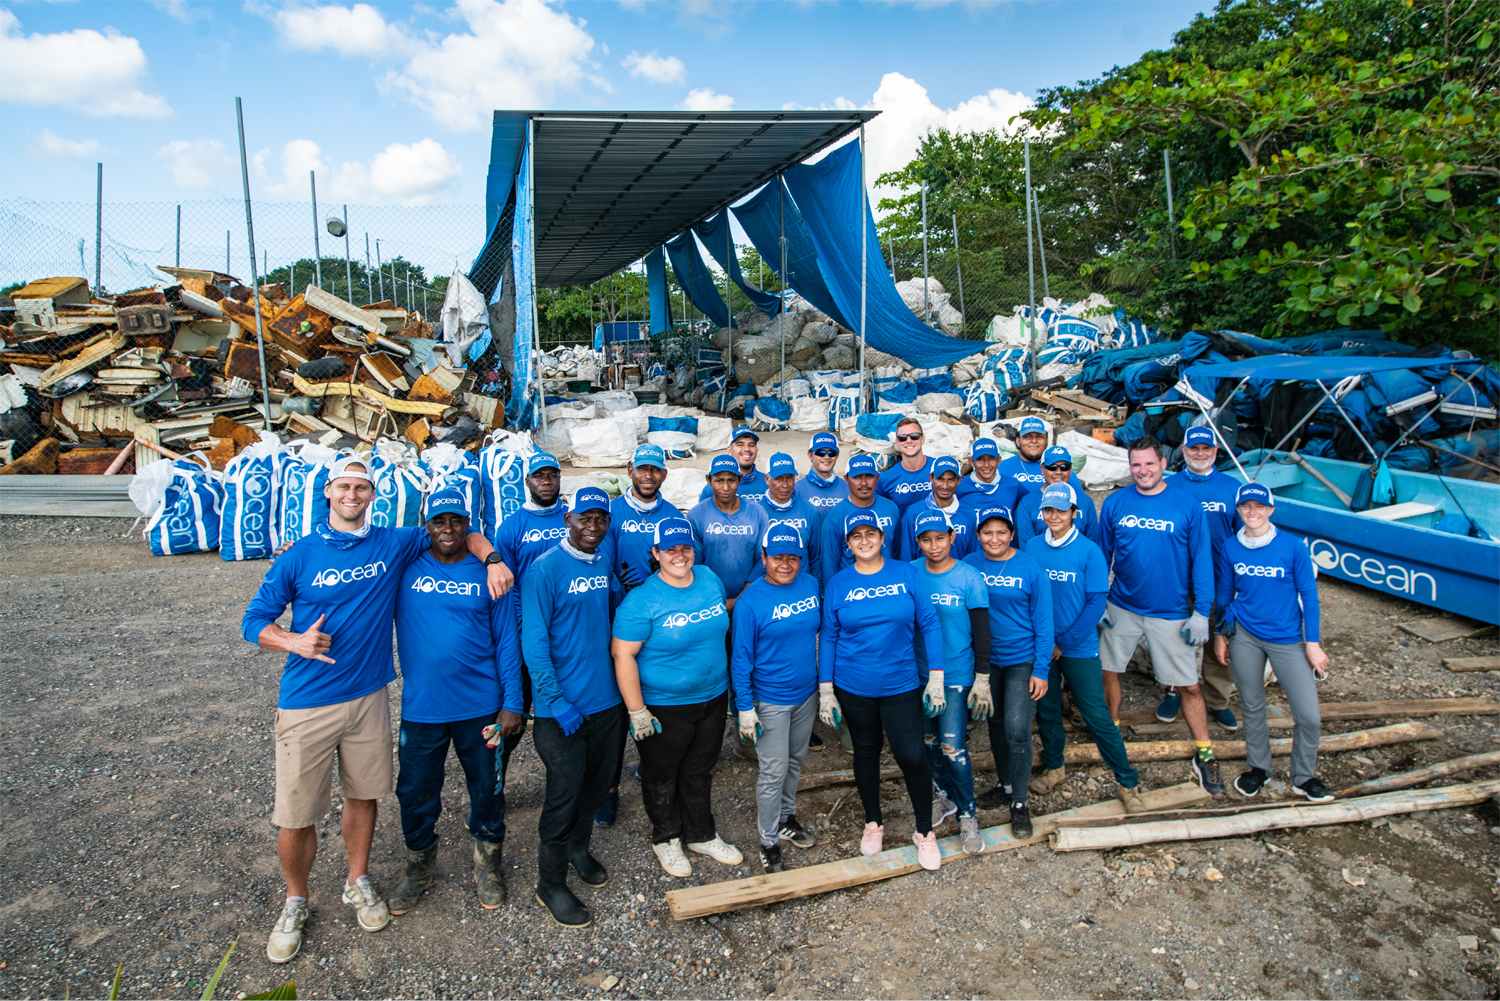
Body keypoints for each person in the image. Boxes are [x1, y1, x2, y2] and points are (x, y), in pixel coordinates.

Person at [241, 456, 509, 963]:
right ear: (328, 492)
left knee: (363, 797)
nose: (352, 495)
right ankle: (295, 901)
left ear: (371, 495)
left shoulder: (393, 543)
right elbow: (253, 620)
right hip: (308, 701)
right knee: (297, 812)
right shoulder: (300, 555)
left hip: (368, 698)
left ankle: (358, 881)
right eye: (344, 486)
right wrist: (292, 641)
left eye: (361, 488)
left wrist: (493, 557)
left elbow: (459, 532)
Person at [388, 490, 525, 916]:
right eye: (439, 521)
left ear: (468, 523)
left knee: (488, 789)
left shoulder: (490, 574)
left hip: (481, 706)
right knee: (414, 790)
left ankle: (488, 866)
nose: (447, 529)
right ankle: (418, 868)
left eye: (456, 521)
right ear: (425, 525)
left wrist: (513, 702)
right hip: (423, 707)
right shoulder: (405, 564)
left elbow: (506, 640)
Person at [611, 517, 743, 877]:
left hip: (712, 696)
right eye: (670, 550)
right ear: (656, 553)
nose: (680, 555)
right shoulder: (641, 601)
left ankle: (701, 834)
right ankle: (666, 838)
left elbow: (721, 621)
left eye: (685, 548)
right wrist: (637, 711)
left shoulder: (709, 579)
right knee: (662, 773)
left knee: (700, 768)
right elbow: (622, 654)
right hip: (664, 704)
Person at [520, 486, 626, 928]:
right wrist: (554, 699)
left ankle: (579, 850)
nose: (593, 526)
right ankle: (550, 883)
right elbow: (534, 641)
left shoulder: (602, 562)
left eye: (601, 519)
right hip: (562, 709)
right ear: (568, 519)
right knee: (563, 795)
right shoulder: (544, 569)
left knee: (596, 786)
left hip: (607, 702)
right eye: (585, 518)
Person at [819, 510, 947, 870]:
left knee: (912, 756)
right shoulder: (839, 584)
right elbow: (828, 636)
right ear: (848, 544)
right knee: (866, 752)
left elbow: (929, 623)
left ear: (882, 538)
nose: (864, 541)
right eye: (856, 536)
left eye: (870, 534)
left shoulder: (906, 573)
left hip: (900, 683)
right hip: (853, 685)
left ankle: (924, 831)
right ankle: (873, 822)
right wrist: (826, 690)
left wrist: (936, 676)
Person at [1098, 437, 1223, 799]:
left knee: (1189, 685)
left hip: (1170, 611)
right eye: (1136, 465)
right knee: (1108, 671)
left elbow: (1202, 560)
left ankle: (1205, 752)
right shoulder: (1116, 502)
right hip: (1122, 605)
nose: (1143, 471)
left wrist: (1201, 611)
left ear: (1164, 463)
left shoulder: (1186, 504)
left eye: (1149, 464)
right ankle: (1112, 731)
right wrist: (1098, 599)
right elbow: (1102, 554)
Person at [1022, 483, 1146, 813]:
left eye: (1061, 510)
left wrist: (1063, 643)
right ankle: (1055, 766)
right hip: (1043, 647)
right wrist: (1043, 642)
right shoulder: (1033, 546)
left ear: (1074, 513)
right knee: (1047, 709)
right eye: (1049, 510)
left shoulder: (1089, 551)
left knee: (1095, 713)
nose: (1054, 516)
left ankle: (1127, 781)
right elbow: (1030, 596)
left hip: (1077, 647)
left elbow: (1095, 604)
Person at [1213, 483, 1333, 802]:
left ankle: (1303, 776)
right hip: (1244, 634)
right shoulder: (1231, 546)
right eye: (1246, 506)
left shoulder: (1292, 547)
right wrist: (1220, 635)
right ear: (1238, 510)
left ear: (1271, 510)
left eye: (1259, 506)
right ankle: (1259, 767)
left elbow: (1309, 596)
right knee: (1252, 704)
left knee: (1308, 715)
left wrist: (1313, 643)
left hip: (1287, 637)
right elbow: (1224, 592)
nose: (1252, 512)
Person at [596, 443, 682, 827]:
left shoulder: (673, 514)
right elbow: (602, 562)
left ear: (664, 474)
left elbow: (681, 563)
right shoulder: (612, 513)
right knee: (618, 706)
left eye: (655, 469)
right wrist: (622, 589)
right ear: (630, 470)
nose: (648, 475)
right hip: (620, 619)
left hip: (661, 622)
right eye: (642, 468)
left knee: (657, 695)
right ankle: (608, 788)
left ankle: (653, 766)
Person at [731, 524, 823, 873]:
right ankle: (768, 840)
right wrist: (744, 707)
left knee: (796, 760)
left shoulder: (810, 585)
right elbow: (740, 659)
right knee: (773, 770)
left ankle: (786, 818)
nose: (785, 564)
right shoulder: (751, 601)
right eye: (777, 557)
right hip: (770, 699)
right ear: (764, 557)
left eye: (792, 558)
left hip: (806, 694)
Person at [965, 504, 1053, 837]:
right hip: (986, 662)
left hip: (1021, 659)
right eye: (987, 532)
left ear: (1012, 534)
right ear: (977, 535)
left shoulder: (1029, 567)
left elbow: (1044, 620)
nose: (994, 538)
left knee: (1017, 728)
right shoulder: (970, 564)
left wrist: (1041, 668)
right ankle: (1005, 784)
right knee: (996, 724)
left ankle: (1019, 802)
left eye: (1002, 532)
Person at [909, 508, 991, 855]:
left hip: (956, 672)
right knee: (928, 741)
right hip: (920, 672)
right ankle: (944, 796)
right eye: (926, 540)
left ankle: (968, 815)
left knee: (952, 746)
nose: (934, 546)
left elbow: (982, 631)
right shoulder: (911, 572)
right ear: (918, 542)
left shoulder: (969, 577)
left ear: (952, 537)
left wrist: (982, 677)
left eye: (940, 538)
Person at [490, 452, 567, 785]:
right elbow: (507, 585)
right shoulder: (511, 527)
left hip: (567, 632)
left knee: (564, 707)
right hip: (527, 634)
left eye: (552, 475)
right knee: (514, 713)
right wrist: (525, 627)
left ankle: (569, 784)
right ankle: (493, 785)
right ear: (528, 481)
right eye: (539, 476)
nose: (546, 481)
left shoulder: (573, 518)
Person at [1163, 425, 1243, 730]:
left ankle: (1218, 700)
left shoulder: (1232, 488)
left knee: (1220, 640)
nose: (1199, 453)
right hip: (1178, 581)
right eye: (1193, 448)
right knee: (1175, 639)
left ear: (1215, 451)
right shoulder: (1170, 486)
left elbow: (1242, 536)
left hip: (1221, 580)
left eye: (1206, 448)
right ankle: (1173, 690)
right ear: (1183, 451)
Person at [687, 453, 771, 610]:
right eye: (719, 480)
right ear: (708, 480)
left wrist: (740, 600)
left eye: (731, 480)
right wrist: (715, 601)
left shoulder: (757, 513)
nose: (725, 487)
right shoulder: (696, 516)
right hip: (709, 602)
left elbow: (763, 560)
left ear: (740, 479)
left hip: (750, 599)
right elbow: (695, 565)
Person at [816, 453, 900, 592]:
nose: (864, 483)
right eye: (857, 477)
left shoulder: (891, 508)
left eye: (869, 476)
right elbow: (829, 567)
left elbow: (896, 553)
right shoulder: (835, 518)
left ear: (878, 477)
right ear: (846, 479)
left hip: (887, 587)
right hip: (852, 590)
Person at [755, 451, 823, 585]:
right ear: (767, 479)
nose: (785, 484)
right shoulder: (756, 512)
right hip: (768, 589)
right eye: (779, 479)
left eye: (789, 478)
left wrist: (819, 589)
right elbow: (755, 559)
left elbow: (815, 558)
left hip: (801, 587)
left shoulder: (809, 511)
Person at [1013, 446, 1101, 549]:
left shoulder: (1086, 502)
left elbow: (1092, 542)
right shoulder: (1027, 502)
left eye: (1064, 467)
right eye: (1052, 467)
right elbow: (1027, 546)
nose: (1058, 472)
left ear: (1070, 470)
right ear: (1042, 469)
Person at [896, 455, 977, 562]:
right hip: (922, 573)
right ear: (931, 478)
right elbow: (907, 558)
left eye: (951, 480)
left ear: (959, 480)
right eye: (940, 479)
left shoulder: (969, 513)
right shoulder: (913, 513)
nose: (945, 486)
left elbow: (973, 558)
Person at [876, 415, 936, 514]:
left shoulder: (939, 469)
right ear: (897, 442)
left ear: (922, 439)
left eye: (914, 436)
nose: (908, 441)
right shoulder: (885, 479)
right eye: (902, 438)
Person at [699, 426, 769, 505]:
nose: (746, 449)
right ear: (729, 450)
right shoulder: (712, 488)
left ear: (756, 450)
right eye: (740, 444)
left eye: (751, 445)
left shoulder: (768, 483)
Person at [958, 437, 1023, 509]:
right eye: (980, 459)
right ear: (971, 462)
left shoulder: (1013, 485)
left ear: (999, 460)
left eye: (991, 459)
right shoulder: (960, 487)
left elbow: (1029, 506)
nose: (986, 465)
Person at [794, 431, 849, 517]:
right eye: (821, 453)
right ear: (810, 455)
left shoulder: (848, 488)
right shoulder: (796, 490)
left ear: (837, 456)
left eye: (831, 453)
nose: (826, 457)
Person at [997, 416, 1050, 495]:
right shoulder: (1001, 468)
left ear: (1047, 440)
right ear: (1018, 441)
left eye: (1039, 437)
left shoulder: (1060, 469)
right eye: (1027, 437)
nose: (1034, 441)